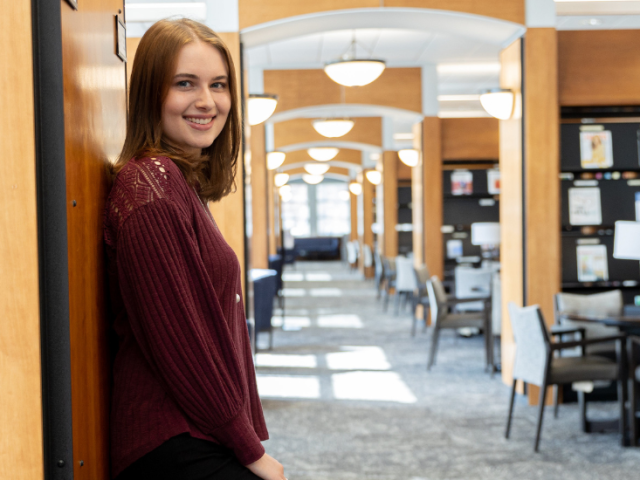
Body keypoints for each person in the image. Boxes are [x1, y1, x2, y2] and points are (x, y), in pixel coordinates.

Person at [104, 18, 285, 480]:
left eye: (218, 85)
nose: (207, 101)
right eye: (185, 84)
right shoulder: (150, 190)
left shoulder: (178, 186)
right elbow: (184, 345)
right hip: (169, 439)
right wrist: (250, 452)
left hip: (193, 430)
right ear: (150, 93)